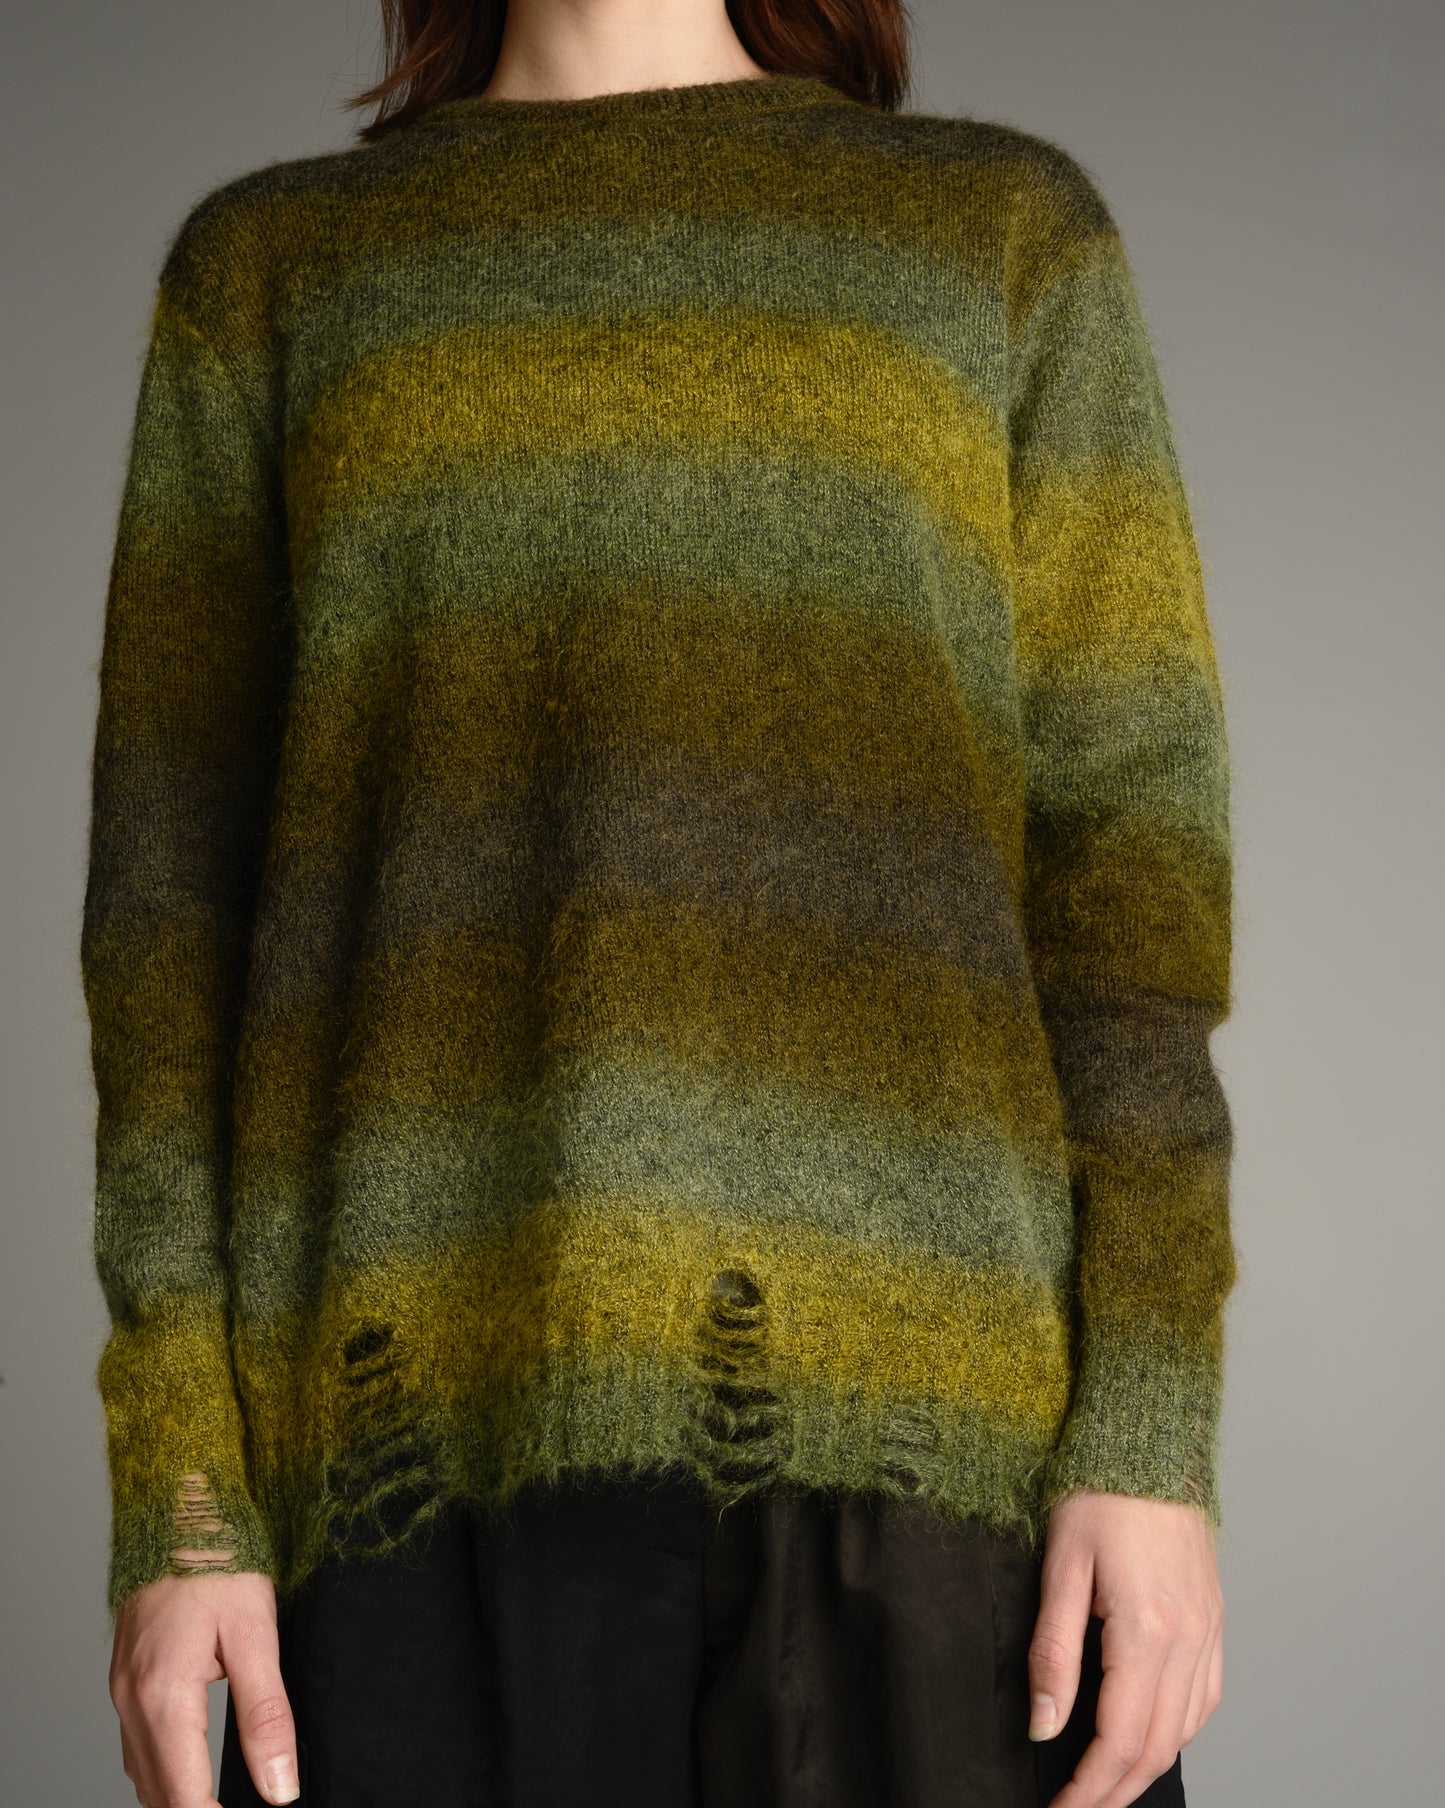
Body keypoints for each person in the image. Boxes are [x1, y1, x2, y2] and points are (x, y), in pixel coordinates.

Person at [81, 1, 1235, 1804]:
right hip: (408, 1475)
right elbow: (165, 939)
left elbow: (1131, 893)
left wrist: (1151, 1433)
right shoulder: (274, 271)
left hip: (939, 1474)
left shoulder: (996, 235)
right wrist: (183, 1494)